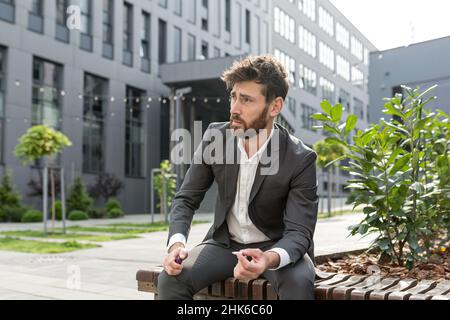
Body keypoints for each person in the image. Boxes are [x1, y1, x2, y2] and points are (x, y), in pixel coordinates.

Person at [157, 55, 318, 300]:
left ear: (275, 106)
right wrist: (176, 245)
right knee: (170, 278)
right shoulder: (215, 137)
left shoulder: (300, 158)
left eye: (246, 100)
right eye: (233, 96)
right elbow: (186, 199)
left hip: (275, 247)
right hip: (224, 244)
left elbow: (299, 233)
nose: (234, 108)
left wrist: (268, 259)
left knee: (299, 283)